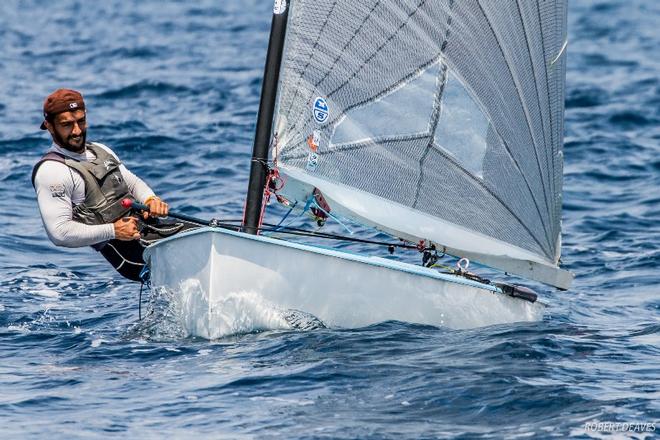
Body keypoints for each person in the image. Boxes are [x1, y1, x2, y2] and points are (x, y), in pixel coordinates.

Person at [32, 88, 195, 281]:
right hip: (129, 253)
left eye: (81, 121)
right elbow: (59, 233)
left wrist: (151, 199)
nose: (76, 131)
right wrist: (114, 231)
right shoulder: (52, 171)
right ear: (49, 126)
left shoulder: (100, 150)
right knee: (199, 244)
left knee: (210, 232)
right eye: (67, 125)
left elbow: (131, 182)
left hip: (150, 229)